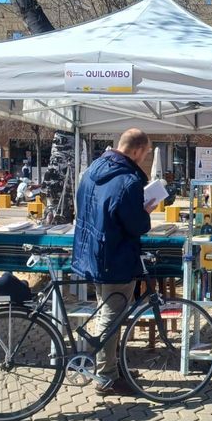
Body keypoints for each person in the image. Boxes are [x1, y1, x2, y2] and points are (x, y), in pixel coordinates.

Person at [72, 128, 157, 396]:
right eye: (145, 154)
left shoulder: (94, 169)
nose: (145, 159)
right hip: (115, 257)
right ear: (136, 151)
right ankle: (106, 376)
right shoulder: (129, 181)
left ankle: (109, 368)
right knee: (111, 314)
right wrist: (146, 212)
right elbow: (136, 225)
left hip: (92, 252)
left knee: (104, 308)